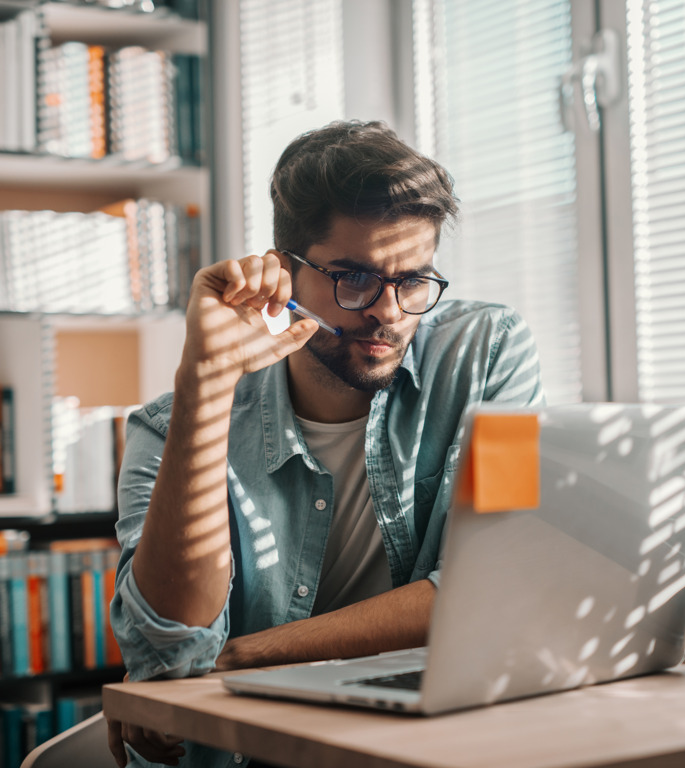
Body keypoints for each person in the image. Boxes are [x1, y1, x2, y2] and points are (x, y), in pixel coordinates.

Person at [107, 120, 544, 767]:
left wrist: (243, 656)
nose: (389, 312)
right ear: (284, 274)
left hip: (419, 743)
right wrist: (206, 383)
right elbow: (169, 651)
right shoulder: (165, 426)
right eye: (354, 279)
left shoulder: (487, 352)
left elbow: (488, 588)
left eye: (413, 279)